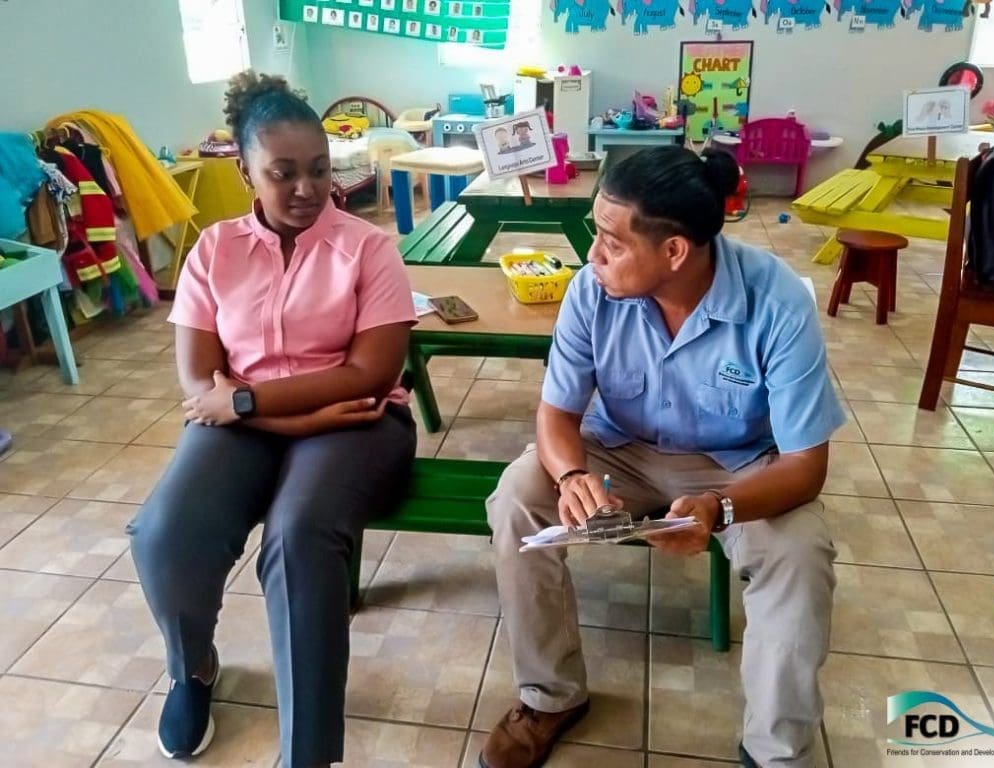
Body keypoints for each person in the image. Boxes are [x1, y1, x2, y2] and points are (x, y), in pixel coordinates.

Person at [479, 146, 842, 768]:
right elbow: (557, 415)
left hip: (739, 468)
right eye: (596, 235)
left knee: (800, 554)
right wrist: (569, 474)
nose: (593, 255)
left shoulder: (775, 302)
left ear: (674, 251)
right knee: (518, 497)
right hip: (617, 451)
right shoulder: (591, 291)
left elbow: (806, 465)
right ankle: (550, 695)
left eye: (612, 243)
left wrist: (719, 508)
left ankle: (777, 751)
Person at [127, 71, 417, 767]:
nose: (306, 189)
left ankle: (306, 756)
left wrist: (251, 402)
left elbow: (369, 375)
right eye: (282, 173)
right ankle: (192, 669)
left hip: (358, 423)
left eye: (318, 170)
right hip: (262, 422)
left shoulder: (368, 249)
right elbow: (200, 383)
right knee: (165, 531)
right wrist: (289, 423)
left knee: (299, 538)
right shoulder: (213, 250)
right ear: (245, 169)